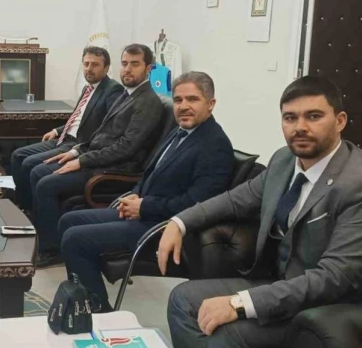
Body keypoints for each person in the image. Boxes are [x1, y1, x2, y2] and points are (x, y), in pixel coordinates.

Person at [158, 76, 362, 347]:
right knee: (183, 299)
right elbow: (234, 200)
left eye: (314, 116)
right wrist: (179, 222)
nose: (300, 127)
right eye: (290, 118)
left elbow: (334, 278)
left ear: (340, 121)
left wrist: (239, 303)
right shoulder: (284, 160)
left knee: (221, 333)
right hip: (277, 282)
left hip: (327, 305)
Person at [58, 72, 234, 312]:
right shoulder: (180, 131)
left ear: (210, 104)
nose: (183, 106)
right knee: (68, 221)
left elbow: (197, 205)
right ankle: (85, 295)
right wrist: (135, 193)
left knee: (75, 239)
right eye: (178, 100)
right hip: (145, 211)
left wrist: (144, 206)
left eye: (192, 99)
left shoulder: (215, 145)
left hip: (164, 228)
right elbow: (152, 171)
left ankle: (99, 313)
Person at [32, 44, 164, 267]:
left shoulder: (147, 102)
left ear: (148, 69)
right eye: (124, 64)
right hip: (97, 159)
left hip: (114, 170)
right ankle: (45, 236)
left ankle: (52, 250)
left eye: (135, 64)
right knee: (40, 171)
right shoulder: (127, 94)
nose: (127, 69)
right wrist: (76, 151)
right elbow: (101, 134)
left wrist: (82, 160)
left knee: (46, 183)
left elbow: (126, 148)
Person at [10, 46, 124, 212]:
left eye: (95, 65)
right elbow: (79, 119)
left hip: (78, 144)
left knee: (29, 164)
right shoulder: (88, 88)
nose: (89, 68)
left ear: (106, 68)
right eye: (86, 64)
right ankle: (21, 206)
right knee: (18, 155)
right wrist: (57, 131)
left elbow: (107, 128)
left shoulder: (113, 90)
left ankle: (29, 212)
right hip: (64, 137)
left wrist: (77, 150)